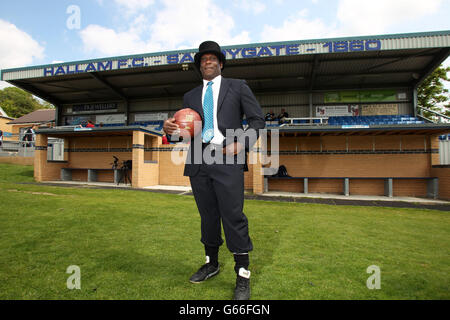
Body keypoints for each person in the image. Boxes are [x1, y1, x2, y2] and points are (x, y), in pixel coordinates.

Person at [163, 41, 265, 300]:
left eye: (212, 58)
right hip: (198, 158)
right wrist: (170, 131)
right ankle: (211, 263)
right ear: (199, 66)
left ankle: (242, 275)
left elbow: (257, 120)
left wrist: (240, 143)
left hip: (226, 157)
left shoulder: (238, 86)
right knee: (207, 216)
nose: (207, 61)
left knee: (233, 216)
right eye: (203, 59)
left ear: (220, 63)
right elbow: (184, 135)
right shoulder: (190, 97)